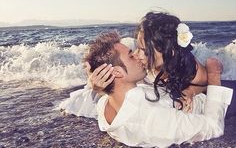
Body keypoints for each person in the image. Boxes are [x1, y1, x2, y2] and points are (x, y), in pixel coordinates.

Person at [85, 31, 233, 147]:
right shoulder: (153, 119)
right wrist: (214, 73)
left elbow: (82, 100)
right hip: (216, 106)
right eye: (131, 56)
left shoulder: (106, 103)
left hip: (196, 93)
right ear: (117, 73)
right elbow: (214, 127)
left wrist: (95, 88)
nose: (138, 55)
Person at [90, 11, 208, 111]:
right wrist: (97, 87)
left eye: (143, 50)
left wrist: (192, 90)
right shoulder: (142, 67)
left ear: (169, 51)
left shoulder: (192, 70)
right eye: (137, 47)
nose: (136, 54)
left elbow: (207, 85)